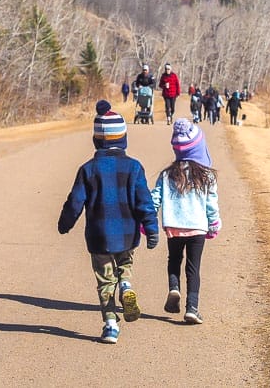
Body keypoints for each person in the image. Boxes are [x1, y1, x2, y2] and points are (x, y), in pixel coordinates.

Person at [58, 100, 159, 344]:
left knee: (105, 281)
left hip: (99, 235)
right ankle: (125, 285)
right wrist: (152, 228)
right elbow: (144, 201)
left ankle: (111, 325)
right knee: (125, 263)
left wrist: (65, 223)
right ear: (123, 138)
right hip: (127, 233)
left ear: (97, 140)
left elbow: (75, 201)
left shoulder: (88, 169)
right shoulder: (134, 167)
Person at [151, 119, 221, 325]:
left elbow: (155, 198)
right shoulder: (207, 175)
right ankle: (192, 307)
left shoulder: (167, 175)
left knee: (174, 260)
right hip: (197, 228)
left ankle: (174, 288)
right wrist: (214, 224)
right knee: (193, 267)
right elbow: (211, 204)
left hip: (174, 226)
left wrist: (148, 219)